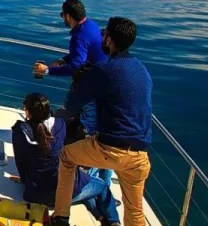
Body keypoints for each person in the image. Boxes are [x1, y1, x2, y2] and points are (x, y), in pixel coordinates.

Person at [51, 17, 152, 226]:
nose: (102, 37)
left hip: (110, 150)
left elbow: (72, 105)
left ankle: (60, 216)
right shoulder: (142, 69)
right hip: (140, 156)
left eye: (104, 34)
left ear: (109, 40)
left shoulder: (104, 69)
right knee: (135, 213)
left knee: (67, 157)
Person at [33, 0, 111, 186]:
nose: (62, 18)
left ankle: (88, 181)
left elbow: (77, 63)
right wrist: (63, 59)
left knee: (86, 129)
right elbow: (82, 54)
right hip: (100, 84)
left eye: (62, 14)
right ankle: (101, 179)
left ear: (69, 16)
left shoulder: (79, 36)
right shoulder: (90, 26)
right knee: (94, 129)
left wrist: (48, 70)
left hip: (90, 88)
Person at [12, 93, 121, 226]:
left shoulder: (19, 132)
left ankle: (100, 217)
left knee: (85, 185)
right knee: (101, 185)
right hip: (64, 194)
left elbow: (20, 161)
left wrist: (24, 179)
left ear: (28, 113)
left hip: (34, 194)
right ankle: (114, 222)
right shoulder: (60, 125)